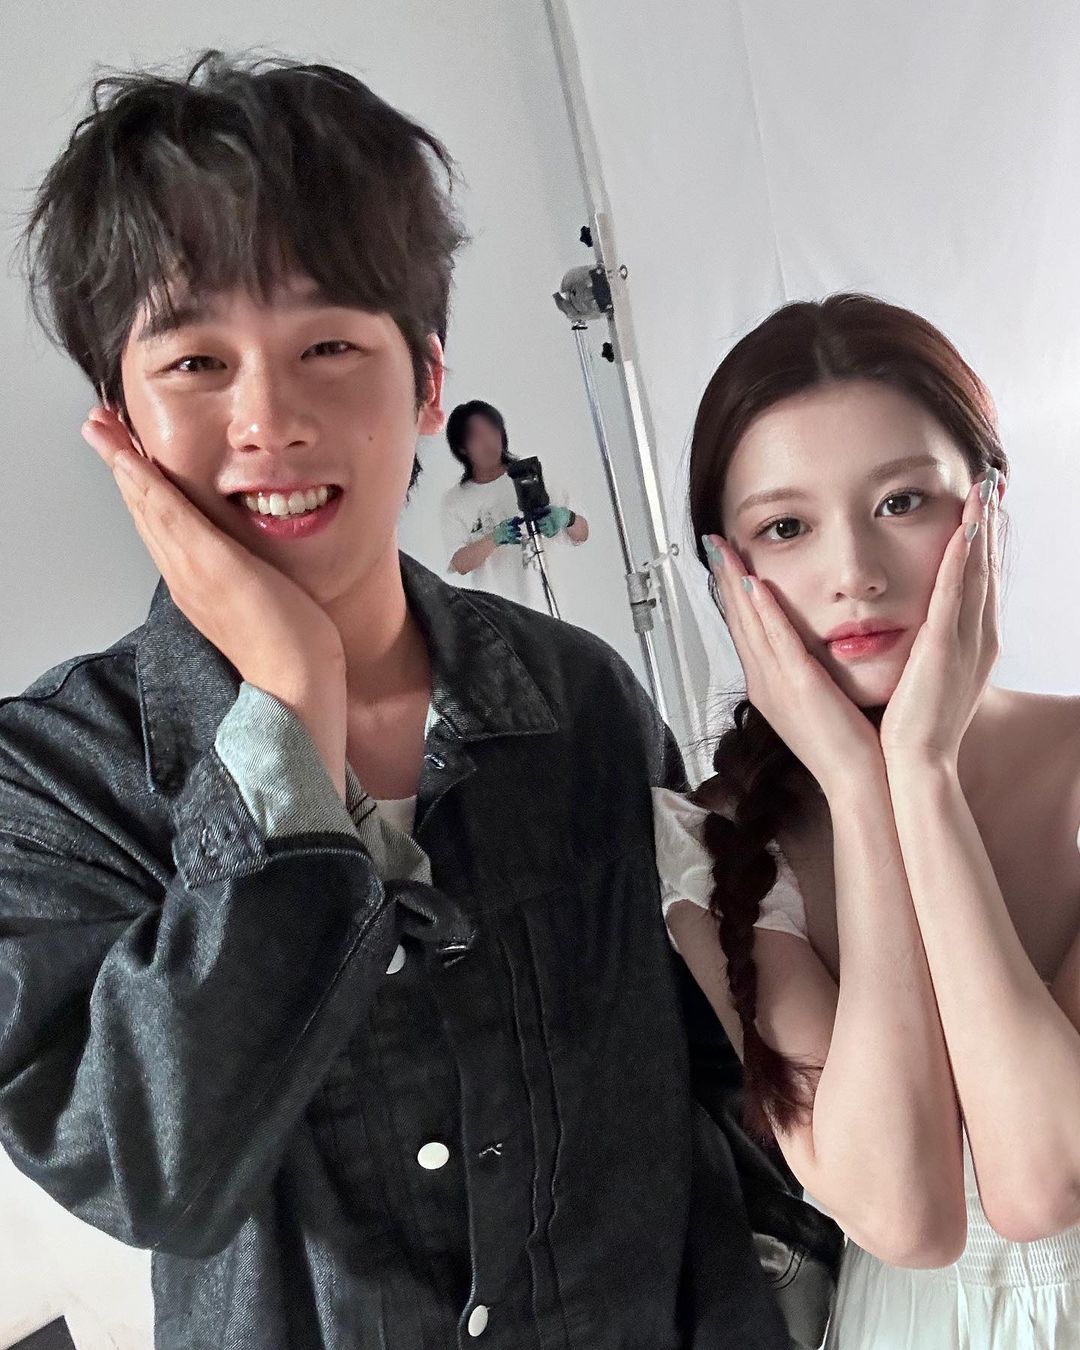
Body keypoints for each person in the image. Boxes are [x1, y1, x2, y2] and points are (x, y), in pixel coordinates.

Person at [0, 52, 789, 1349]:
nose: (269, 420)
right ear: (120, 421)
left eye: (327, 345)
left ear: (426, 382)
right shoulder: (53, 778)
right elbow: (155, 1174)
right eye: (195, 361)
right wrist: (288, 709)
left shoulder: (579, 701)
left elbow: (702, 1079)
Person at [656, 293, 1080, 1347]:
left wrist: (921, 774)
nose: (854, 573)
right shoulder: (713, 847)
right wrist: (859, 789)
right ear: (727, 574)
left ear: (986, 512)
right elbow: (905, 1216)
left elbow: (1045, 1177)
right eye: (786, 527)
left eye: (901, 502)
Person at [441, 399, 589, 611]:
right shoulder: (455, 500)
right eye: (477, 436)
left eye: (492, 431)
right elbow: (459, 563)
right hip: (498, 614)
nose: (488, 441)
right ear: (462, 448)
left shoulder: (531, 474)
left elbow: (582, 533)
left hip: (546, 608)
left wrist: (567, 518)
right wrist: (494, 538)